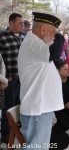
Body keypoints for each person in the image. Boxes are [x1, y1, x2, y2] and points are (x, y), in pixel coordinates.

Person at [18, 9, 64, 149]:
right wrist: (61, 37)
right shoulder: (33, 43)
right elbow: (55, 53)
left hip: (41, 107)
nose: (54, 37)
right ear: (43, 29)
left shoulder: (38, 44)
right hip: (38, 108)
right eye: (53, 32)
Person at [0, 13, 23, 143]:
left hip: (22, 80)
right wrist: (4, 78)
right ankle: (6, 134)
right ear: (11, 23)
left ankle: (16, 131)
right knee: (8, 109)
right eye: (20, 23)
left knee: (19, 108)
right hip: (9, 80)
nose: (22, 25)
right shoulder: (2, 36)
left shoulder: (22, 37)